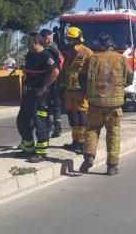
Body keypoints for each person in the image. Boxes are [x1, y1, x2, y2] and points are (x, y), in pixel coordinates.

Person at [80, 33, 130, 176]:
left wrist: (88, 92)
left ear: (100, 45)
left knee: (92, 130)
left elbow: (82, 78)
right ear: (111, 44)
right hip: (114, 105)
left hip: (95, 103)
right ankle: (112, 166)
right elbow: (130, 77)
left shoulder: (93, 59)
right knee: (113, 134)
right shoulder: (121, 59)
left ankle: (89, 156)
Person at [16, 32, 59, 163]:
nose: (27, 46)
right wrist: (25, 85)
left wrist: (44, 87)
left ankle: (41, 153)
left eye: (28, 43)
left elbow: (55, 71)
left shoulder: (46, 55)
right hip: (29, 93)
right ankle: (28, 148)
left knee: (40, 123)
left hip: (40, 96)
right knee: (22, 121)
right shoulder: (30, 55)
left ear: (35, 42)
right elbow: (27, 73)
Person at [61, 26, 93, 156]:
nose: (69, 41)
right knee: (72, 117)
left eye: (72, 39)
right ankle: (75, 141)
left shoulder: (87, 53)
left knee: (81, 117)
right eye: (68, 39)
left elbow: (91, 73)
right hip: (69, 90)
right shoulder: (69, 53)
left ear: (78, 38)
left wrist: (88, 89)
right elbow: (64, 71)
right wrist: (61, 86)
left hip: (81, 90)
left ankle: (82, 143)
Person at [40, 29, 64, 138]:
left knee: (56, 106)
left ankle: (57, 128)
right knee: (45, 106)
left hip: (55, 82)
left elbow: (60, 66)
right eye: (47, 39)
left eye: (50, 39)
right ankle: (49, 126)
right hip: (45, 82)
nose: (49, 41)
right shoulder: (39, 51)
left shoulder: (54, 51)